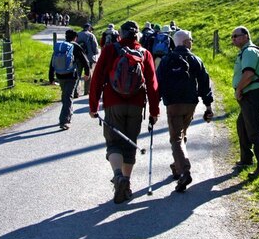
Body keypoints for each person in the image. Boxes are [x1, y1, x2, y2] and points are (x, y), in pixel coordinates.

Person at [89, 20, 160, 204]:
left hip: (113, 103)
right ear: (138, 35)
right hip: (136, 105)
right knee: (130, 144)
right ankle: (126, 184)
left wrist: (93, 105)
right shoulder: (145, 53)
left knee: (114, 143)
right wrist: (154, 111)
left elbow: (97, 79)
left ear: (120, 34)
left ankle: (118, 176)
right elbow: (152, 85)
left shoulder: (110, 50)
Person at [156, 29, 214, 192]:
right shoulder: (195, 59)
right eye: (190, 40)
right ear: (184, 42)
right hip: (190, 103)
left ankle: (184, 170)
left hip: (173, 104)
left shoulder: (166, 60)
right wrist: (208, 106)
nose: (192, 42)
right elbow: (204, 83)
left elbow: (158, 83)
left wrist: (155, 106)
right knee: (181, 135)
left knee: (176, 138)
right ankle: (177, 166)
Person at [231, 26, 259, 179]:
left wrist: (238, 89)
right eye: (232, 37)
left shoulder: (249, 51)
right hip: (249, 93)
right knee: (242, 125)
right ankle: (246, 159)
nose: (233, 39)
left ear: (246, 36)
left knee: (255, 129)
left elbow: (249, 74)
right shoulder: (244, 52)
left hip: (253, 93)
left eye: (236, 36)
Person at [48, 29, 90, 130]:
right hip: (71, 75)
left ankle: (67, 115)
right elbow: (85, 61)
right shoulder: (75, 46)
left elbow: (52, 62)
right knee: (68, 97)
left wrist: (51, 78)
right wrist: (87, 73)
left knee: (65, 95)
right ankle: (64, 121)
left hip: (60, 75)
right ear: (75, 37)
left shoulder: (60, 47)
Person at [76, 23, 100, 96]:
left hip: (78, 58)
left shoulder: (77, 34)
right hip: (88, 58)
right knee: (88, 74)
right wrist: (95, 53)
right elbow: (95, 48)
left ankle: (75, 91)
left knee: (78, 74)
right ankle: (87, 91)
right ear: (89, 27)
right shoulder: (91, 35)